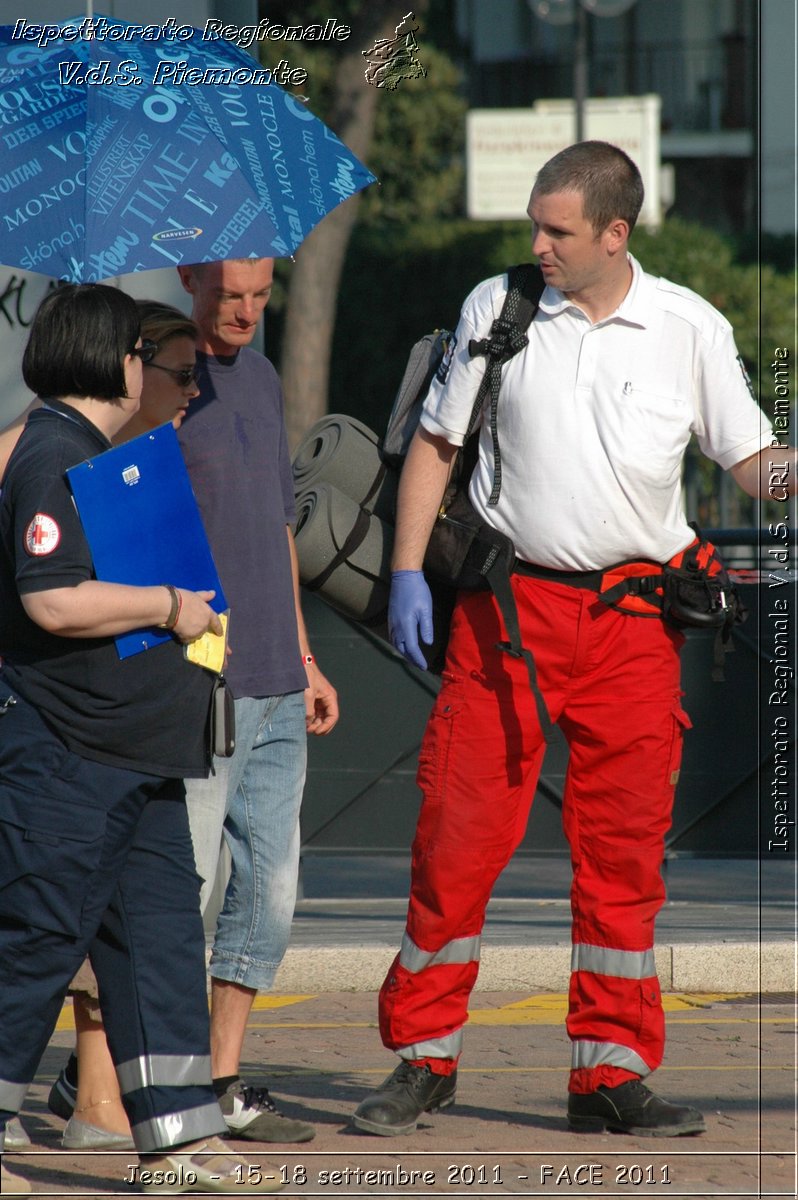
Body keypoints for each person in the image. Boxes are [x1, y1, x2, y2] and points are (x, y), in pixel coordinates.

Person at [351, 140, 791, 1140]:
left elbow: (753, 464)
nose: (537, 245)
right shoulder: (498, 309)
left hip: (638, 624)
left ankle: (610, 1076)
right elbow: (435, 443)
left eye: (557, 231)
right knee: (457, 842)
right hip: (507, 619)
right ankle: (423, 1059)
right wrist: (408, 570)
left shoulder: (688, 327)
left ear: (614, 233)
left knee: (625, 859)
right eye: (534, 227)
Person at [0, 284, 282, 1194]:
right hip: (69, 755)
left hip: (139, 754)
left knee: (159, 944)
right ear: (111, 357)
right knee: (37, 938)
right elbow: (52, 599)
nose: (168, 377)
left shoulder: (95, 455)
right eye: (154, 360)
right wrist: (169, 607)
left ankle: (178, 1142)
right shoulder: (50, 454)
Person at [173, 257, 339, 1143]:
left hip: (278, 677)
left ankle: (218, 1076)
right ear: (193, 278)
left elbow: (279, 523)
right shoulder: (161, 374)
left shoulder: (264, 376)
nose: (245, 310)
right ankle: (128, 1076)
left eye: (261, 294)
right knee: (184, 891)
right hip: (203, 677)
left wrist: (306, 655)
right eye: (229, 293)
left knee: (269, 897)